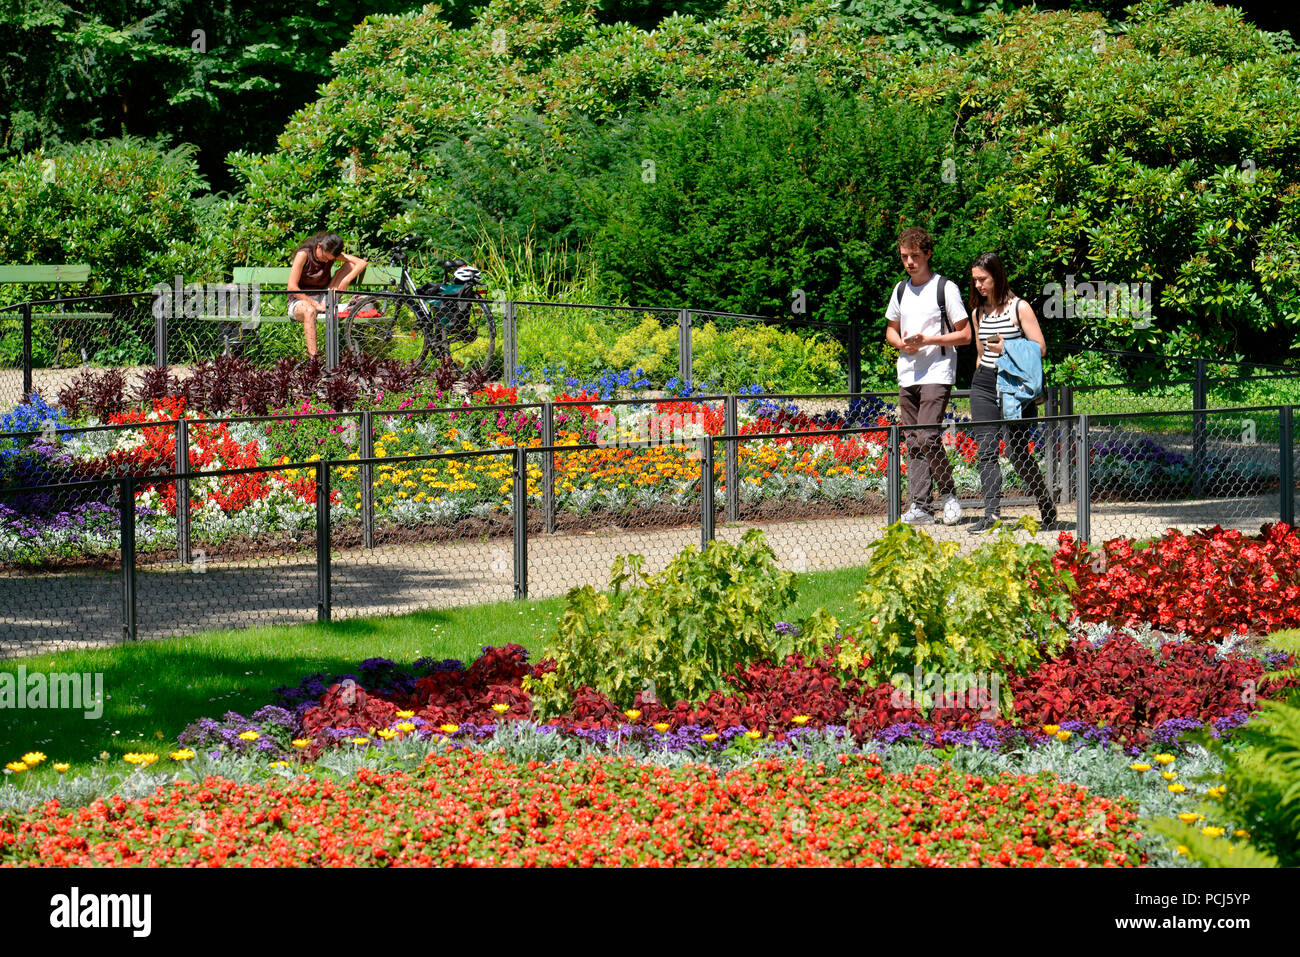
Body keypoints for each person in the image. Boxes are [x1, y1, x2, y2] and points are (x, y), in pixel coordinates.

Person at [884, 227, 971, 525]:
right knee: (913, 440)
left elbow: (965, 334)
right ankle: (920, 506)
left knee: (928, 435)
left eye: (915, 256)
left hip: (937, 370)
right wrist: (901, 344)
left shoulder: (945, 288)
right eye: (905, 256)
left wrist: (929, 341)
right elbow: (890, 330)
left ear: (928, 254)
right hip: (907, 372)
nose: (909, 262)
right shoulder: (900, 289)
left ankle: (949, 495)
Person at [966, 251, 1056, 533]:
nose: (978, 285)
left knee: (1018, 453)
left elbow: (1040, 348)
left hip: (1014, 388)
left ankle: (1046, 506)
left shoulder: (1020, 308)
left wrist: (1007, 348)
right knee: (987, 452)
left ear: (997, 276)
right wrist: (980, 377)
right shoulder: (977, 313)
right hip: (983, 384)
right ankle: (991, 515)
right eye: (975, 281)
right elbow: (980, 354)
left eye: (983, 279)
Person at [287, 232, 368, 358]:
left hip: (324, 298)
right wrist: (314, 304)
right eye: (325, 257)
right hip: (300, 301)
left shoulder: (331, 254)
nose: (326, 261)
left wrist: (346, 280)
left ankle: (347, 355)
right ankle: (314, 359)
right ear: (319, 246)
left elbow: (361, 263)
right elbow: (292, 287)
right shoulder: (303, 254)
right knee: (310, 311)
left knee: (350, 265)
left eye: (329, 260)